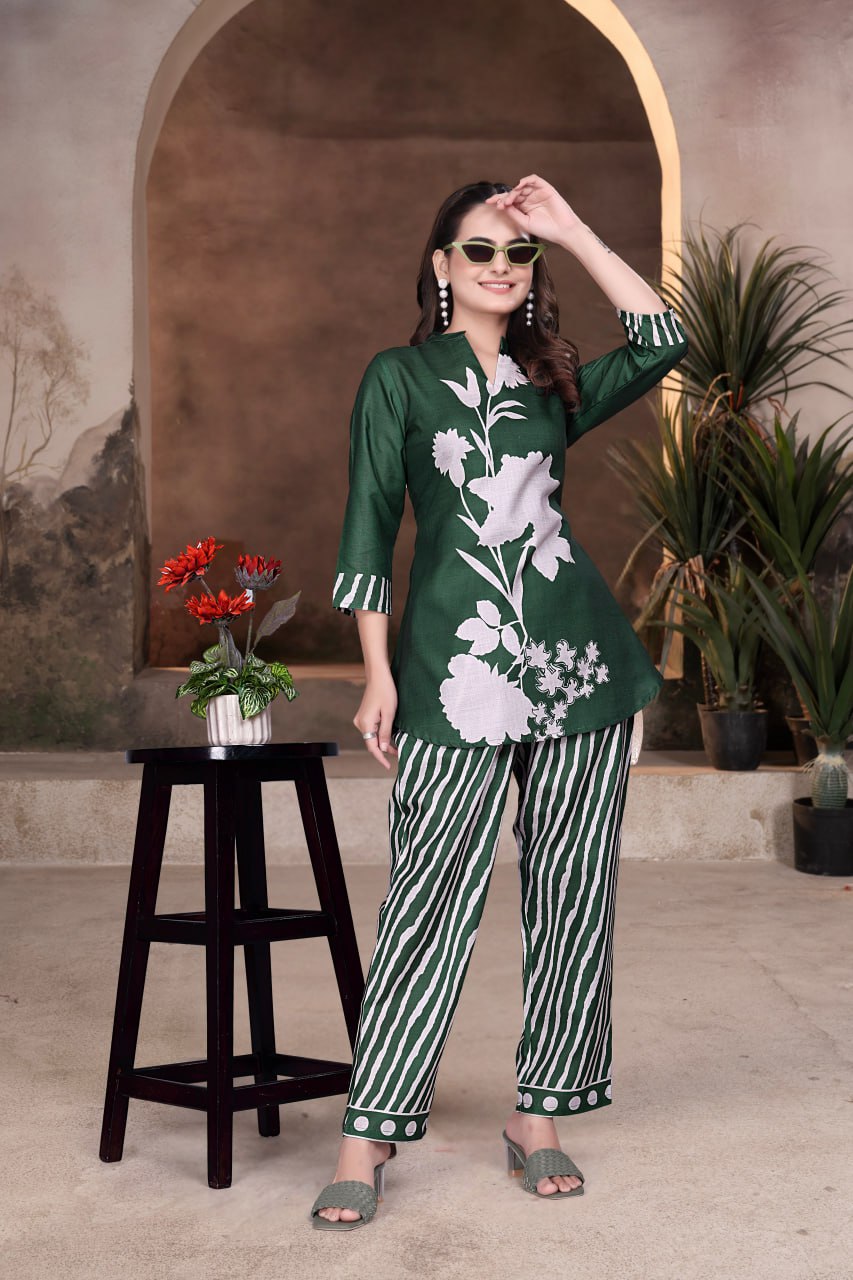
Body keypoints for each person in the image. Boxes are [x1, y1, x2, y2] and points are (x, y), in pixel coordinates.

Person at [311, 175, 688, 1229]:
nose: (498, 267)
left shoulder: (550, 382)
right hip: (454, 668)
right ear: (440, 266)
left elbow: (664, 340)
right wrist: (377, 673)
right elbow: (367, 523)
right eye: (477, 250)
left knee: (572, 892)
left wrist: (569, 227)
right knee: (427, 896)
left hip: (578, 667)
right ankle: (367, 1131)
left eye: (516, 254)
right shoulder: (398, 377)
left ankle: (539, 1116)